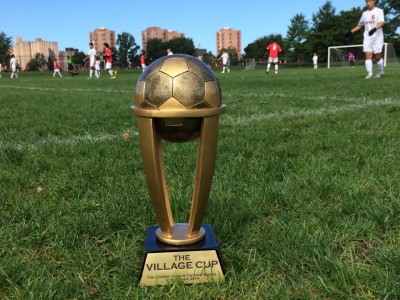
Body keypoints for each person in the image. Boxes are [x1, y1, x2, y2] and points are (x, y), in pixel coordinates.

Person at [344, 0, 385, 78]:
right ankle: (369, 74)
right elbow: (360, 25)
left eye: (369, 1)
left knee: (377, 56)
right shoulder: (364, 13)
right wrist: (350, 32)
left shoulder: (379, 11)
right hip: (367, 37)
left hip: (377, 37)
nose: (367, 3)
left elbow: (381, 23)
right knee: (367, 54)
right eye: (366, 1)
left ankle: (380, 72)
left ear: (374, 1)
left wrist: (374, 29)